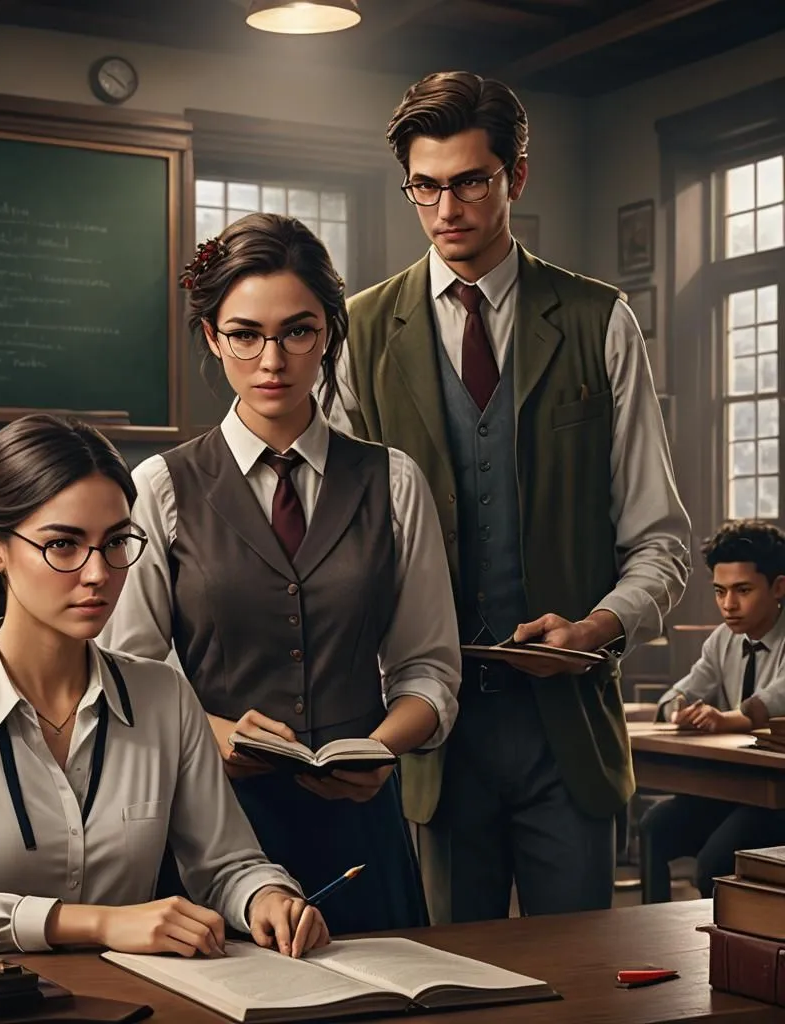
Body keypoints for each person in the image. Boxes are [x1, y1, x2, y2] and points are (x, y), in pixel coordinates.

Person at [333, 70, 691, 923]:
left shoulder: (599, 320)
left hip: (567, 731)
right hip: (429, 742)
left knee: (588, 985)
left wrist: (596, 629)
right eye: (426, 187)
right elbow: (343, 546)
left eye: (470, 182)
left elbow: (662, 541)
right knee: (453, 982)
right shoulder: (360, 330)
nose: (447, 208)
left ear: (515, 177)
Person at [0, 413, 328, 963]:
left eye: (116, 542)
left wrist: (265, 897)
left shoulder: (163, 696)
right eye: (63, 545)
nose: (99, 573)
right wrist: (97, 923)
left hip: (139, 1003)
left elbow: (227, 865)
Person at [102, 213, 461, 936]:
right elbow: (122, 675)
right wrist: (211, 734)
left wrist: (384, 746)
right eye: (245, 335)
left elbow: (429, 668)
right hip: (213, 829)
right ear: (213, 337)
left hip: (363, 827)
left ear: (329, 332)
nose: (272, 360)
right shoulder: (160, 486)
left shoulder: (393, 481)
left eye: (297, 332)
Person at [642, 520, 785, 901]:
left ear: (779, 587)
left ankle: (720, 952)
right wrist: (679, 712)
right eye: (720, 591)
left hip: (779, 794)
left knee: (714, 864)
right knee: (655, 828)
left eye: (743, 590)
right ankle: (649, 937)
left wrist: (725, 719)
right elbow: (680, 693)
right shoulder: (722, 639)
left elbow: (774, 701)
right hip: (740, 786)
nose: (728, 605)